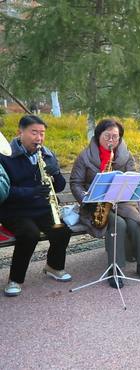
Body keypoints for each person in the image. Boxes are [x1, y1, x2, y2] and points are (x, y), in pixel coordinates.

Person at [70, 118, 140, 289]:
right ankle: (115, 269)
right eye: (107, 136)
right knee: (118, 224)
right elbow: (75, 182)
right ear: (98, 136)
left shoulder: (126, 156)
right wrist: (86, 197)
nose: (111, 141)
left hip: (121, 201)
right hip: (94, 205)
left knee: (135, 222)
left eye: (115, 137)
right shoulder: (85, 156)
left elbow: (132, 179)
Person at [0, 115, 73, 297]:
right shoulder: (5, 156)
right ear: (20, 132)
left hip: (41, 208)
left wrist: (55, 173)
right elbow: (5, 191)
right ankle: (15, 279)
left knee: (63, 230)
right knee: (29, 234)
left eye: (42, 133)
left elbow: (59, 186)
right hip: (14, 210)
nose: (39, 138)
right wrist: (32, 191)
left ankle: (53, 267)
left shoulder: (47, 154)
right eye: (34, 133)